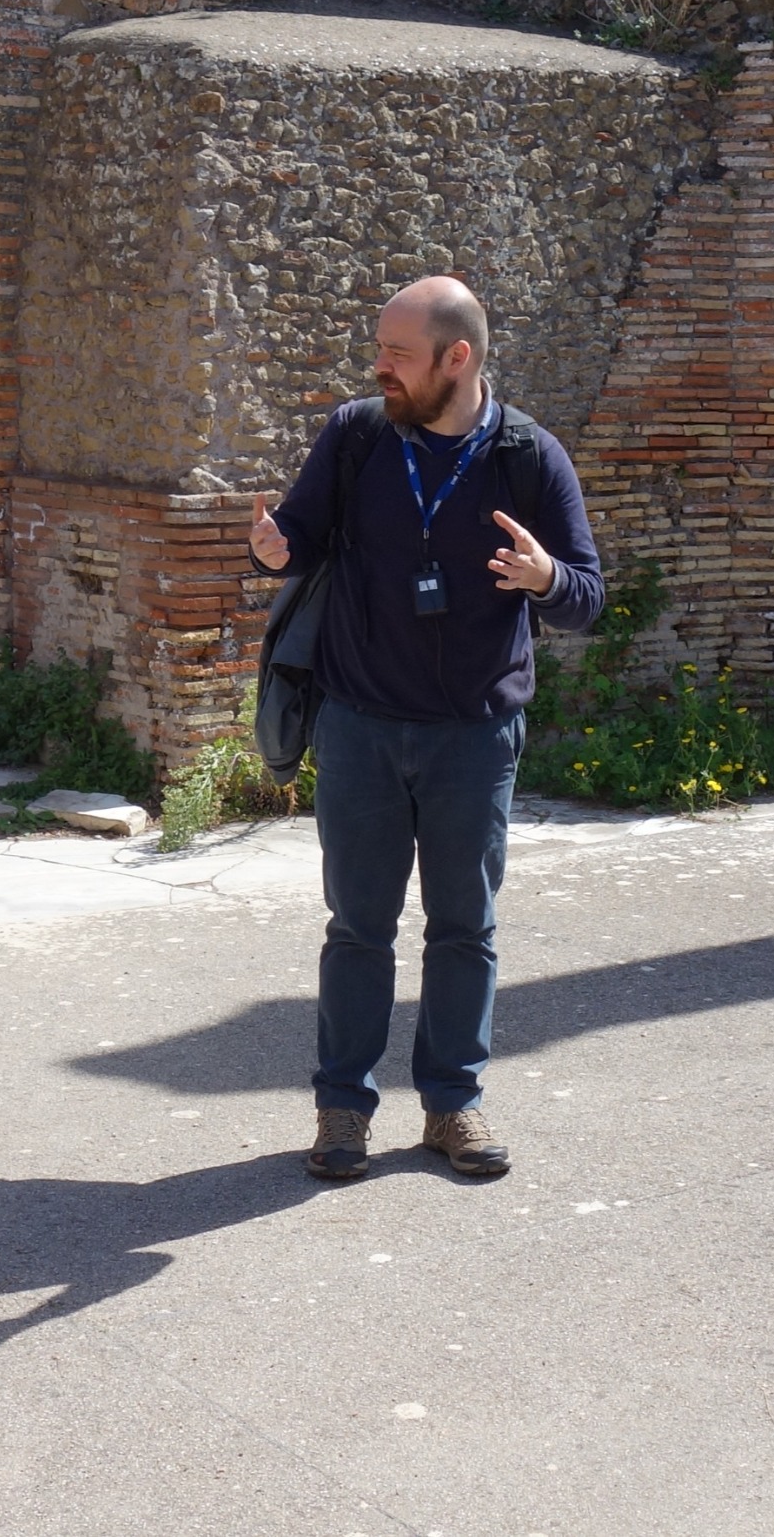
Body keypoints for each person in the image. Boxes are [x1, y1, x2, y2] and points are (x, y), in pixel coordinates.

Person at [247, 276, 605, 1181]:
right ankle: (342, 1108)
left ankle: (453, 1105)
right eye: (381, 351)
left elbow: (588, 598)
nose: (380, 368)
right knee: (357, 927)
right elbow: (300, 533)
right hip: (362, 727)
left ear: (459, 358)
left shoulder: (529, 455)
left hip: (474, 739)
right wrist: (275, 547)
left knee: (464, 927)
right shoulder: (359, 434)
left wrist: (545, 581)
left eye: (398, 354)